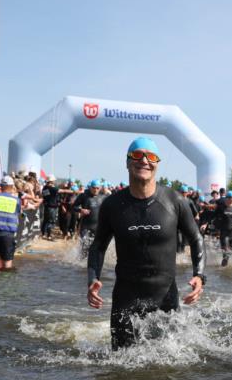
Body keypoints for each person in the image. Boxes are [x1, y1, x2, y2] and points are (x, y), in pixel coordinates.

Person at [86, 137, 206, 350]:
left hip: (165, 300)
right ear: (127, 162)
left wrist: (199, 275)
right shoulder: (112, 205)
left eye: (151, 157)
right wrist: (92, 279)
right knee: (119, 368)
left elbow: (196, 238)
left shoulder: (175, 200)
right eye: (137, 155)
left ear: (157, 164)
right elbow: (98, 245)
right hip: (126, 299)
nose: (144, 161)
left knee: (167, 368)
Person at [74, 179, 105, 258]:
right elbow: (74, 207)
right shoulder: (84, 196)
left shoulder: (103, 197)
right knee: (84, 245)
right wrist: (81, 210)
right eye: (94, 188)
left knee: (96, 247)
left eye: (97, 188)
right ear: (90, 187)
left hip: (98, 227)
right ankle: (81, 263)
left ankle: (92, 262)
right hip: (86, 226)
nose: (95, 190)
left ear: (100, 188)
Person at [215, 190, 232, 266]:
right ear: (226, 198)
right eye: (230, 198)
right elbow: (214, 217)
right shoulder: (221, 208)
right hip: (224, 234)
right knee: (226, 255)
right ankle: (223, 271)